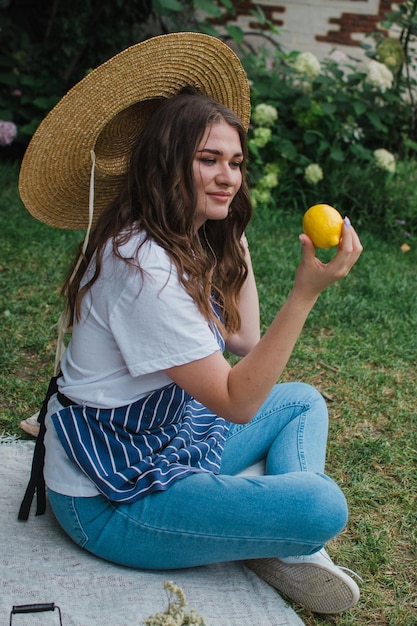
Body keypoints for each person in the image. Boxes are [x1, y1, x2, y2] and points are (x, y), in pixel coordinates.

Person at [19, 32, 363, 616]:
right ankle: (269, 532)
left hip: (161, 440)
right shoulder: (144, 268)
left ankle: (256, 534)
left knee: (302, 403)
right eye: (209, 160)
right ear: (167, 165)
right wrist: (305, 294)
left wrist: (234, 234)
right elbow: (236, 400)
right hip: (109, 496)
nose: (228, 175)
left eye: (235, 162)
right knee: (322, 507)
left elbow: (243, 341)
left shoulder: (178, 236)